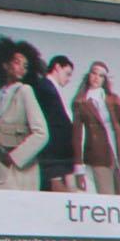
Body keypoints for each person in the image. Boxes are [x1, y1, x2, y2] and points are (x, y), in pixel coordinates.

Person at [0, 35, 51, 189]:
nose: (22, 68)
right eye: (17, 62)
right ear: (5, 65)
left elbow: (42, 134)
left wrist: (13, 158)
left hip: (15, 171)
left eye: (25, 65)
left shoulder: (25, 91)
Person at [71, 61, 120, 195]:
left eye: (101, 75)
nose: (96, 78)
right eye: (94, 73)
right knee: (106, 198)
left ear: (104, 79)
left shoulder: (113, 99)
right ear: (89, 75)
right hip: (99, 157)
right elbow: (77, 137)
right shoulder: (80, 102)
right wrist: (79, 169)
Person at [30, 48, 77, 191]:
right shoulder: (45, 88)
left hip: (59, 159)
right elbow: (52, 126)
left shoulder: (50, 88)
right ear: (57, 67)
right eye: (67, 74)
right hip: (54, 159)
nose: (68, 79)